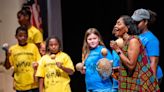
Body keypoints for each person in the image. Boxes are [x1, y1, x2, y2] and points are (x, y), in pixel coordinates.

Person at [110, 15, 160, 91]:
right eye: (116, 23)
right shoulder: (125, 42)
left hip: (140, 85)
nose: (115, 26)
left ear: (127, 28)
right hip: (131, 83)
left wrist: (117, 49)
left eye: (119, 24)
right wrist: (119, 68)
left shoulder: (133, 41)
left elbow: (131, 65)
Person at [3, 26, 41, 92]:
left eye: (25, 36)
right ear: (16, 36)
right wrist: (7, 56)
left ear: (27, 37)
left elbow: (39, 62)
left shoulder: (33, 47)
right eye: (20, 36)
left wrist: (36, 65)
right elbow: (7, 67)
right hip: (19, 85)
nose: (23, 38)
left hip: (33, 85)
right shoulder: (12, 49)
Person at [131, 8, 163, 85]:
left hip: (151, 76)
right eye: (133, 22)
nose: (135, 24)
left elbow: (154, 62)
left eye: (137, 22)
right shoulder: (136, 36)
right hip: (141, 76)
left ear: (145, 22)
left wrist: (152, 83)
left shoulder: (151, 39)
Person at [79, 28, 114, 92]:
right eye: (89, 39)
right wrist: (83, 70)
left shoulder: (103, 50)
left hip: (103, 88)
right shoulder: (86, 52)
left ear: (99, 39)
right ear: (86, 40)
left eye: (94, 38)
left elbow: (111, 67)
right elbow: (88, 68)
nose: (92, 41)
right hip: (90, 87)